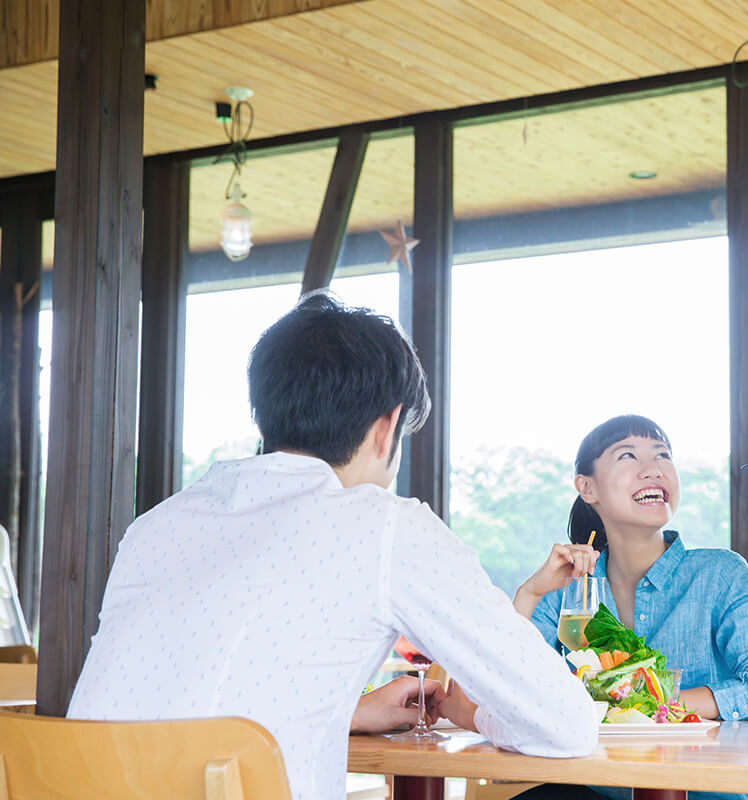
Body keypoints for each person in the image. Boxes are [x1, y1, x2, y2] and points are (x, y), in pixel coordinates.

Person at [68, 293, 597, 800]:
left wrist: (345, 711)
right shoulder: (385, 526)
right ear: (387, 428)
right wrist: (473, 714)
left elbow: (169, 699)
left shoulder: (157, 525)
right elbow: (566, 724)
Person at [513, 414, 748, 800]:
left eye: (662, 455)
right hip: (599, 788)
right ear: (587, 487)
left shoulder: (720, 574)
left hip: (705, 793)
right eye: (628, 456)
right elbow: (504, 688)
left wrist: (649, 702)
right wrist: (528, 594)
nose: (653, 470)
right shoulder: (567, 588)